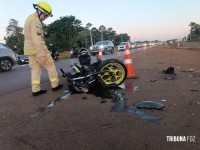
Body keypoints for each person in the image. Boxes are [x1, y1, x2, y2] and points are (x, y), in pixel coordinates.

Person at [24, 2, 63, 96]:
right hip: (38, 50)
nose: (45, 18)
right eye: (45, 15)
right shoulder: (36, 22)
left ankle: (36, 90)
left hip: (29, 50)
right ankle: (55, 85)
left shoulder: (29, 18)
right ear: (39, 11)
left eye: (47, 16)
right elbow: (37, 40)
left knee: (35, 69)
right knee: (50, 65)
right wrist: (41, 54)